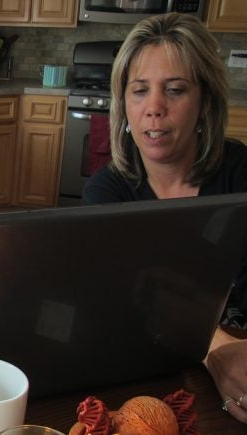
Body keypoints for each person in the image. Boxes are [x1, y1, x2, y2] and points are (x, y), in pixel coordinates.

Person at [80, 13, 247, 424]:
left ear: (205, 101)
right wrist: (218, 348)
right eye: (140, 91)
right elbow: (133, 299)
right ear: (124, 103)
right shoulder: (106, 192)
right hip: (154, 381)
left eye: (174, 90)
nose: (154, 108)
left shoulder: (241, 174)